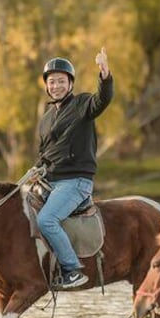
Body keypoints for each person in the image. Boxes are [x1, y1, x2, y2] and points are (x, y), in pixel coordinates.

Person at [36, 48, 113, 290]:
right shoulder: (46, 119)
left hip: (75, 181)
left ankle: (72, 269)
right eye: (52, 82)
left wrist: (104, 73)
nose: (56, 86)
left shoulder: (82, 104)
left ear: (70, 83)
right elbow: (44, 154)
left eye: (61, 81)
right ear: (47, 86)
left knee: (46, 220)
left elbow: (103, 100)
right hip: (50, 182)